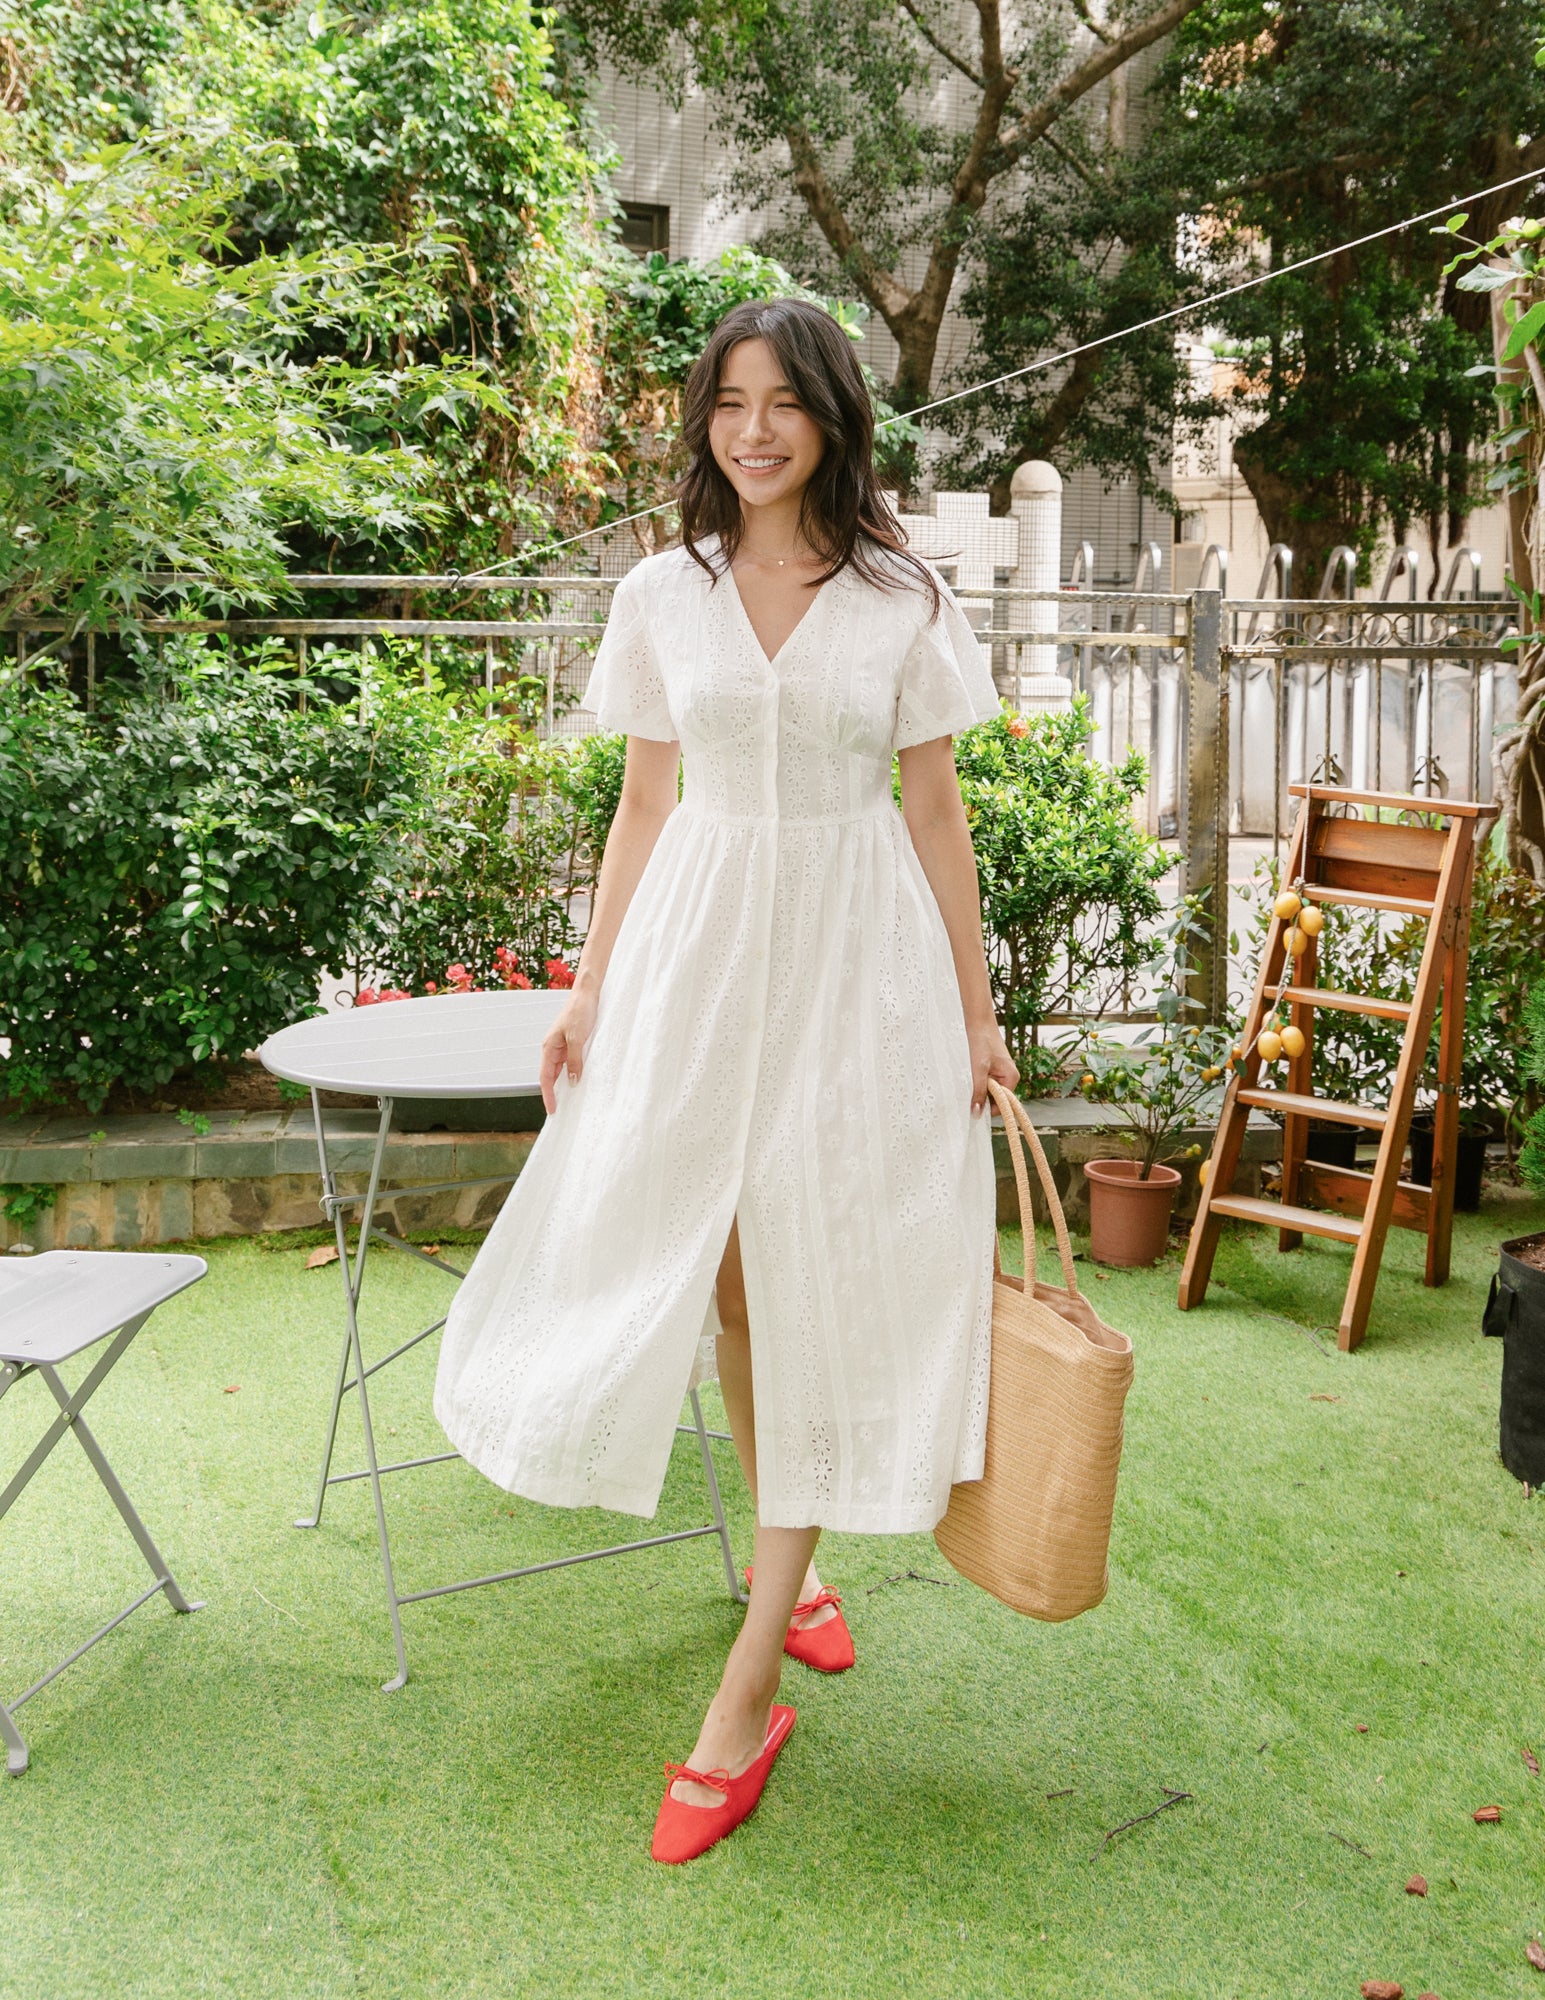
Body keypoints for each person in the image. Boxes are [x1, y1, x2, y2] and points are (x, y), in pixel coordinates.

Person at [433, 296, 1019, 1864]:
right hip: (697, 951)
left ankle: (746, 1682)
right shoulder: (659, 590)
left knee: (826, 1282)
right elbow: (640, 802)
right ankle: (795, 1571)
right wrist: (586, 985)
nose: (751, 430)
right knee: (736, 1290)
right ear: (704, 421)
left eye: (783, 403)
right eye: (726, 403)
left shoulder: (899, 595)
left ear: (831, 417)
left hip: (858, 962)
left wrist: (973, 1015)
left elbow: (936, 810)